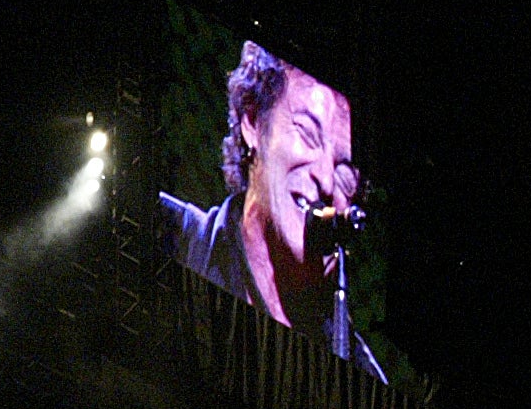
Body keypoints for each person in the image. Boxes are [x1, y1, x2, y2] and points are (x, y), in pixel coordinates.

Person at [158, 41, 383, 380]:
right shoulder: (164, 232)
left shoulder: (361, 378)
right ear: (253, 120)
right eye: (307, 134)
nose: (324, 179)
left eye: (345, 173)